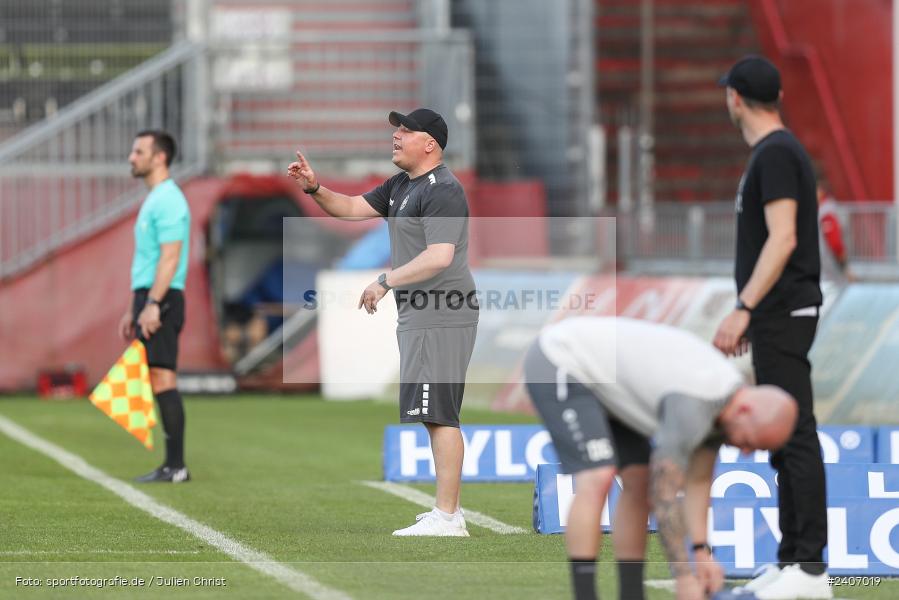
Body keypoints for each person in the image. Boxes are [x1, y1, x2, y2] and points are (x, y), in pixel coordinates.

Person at [288, 108, 479, 536]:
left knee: (441, 414)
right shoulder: (400, 185)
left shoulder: (443, 189)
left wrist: (384, 280)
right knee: (435, 414)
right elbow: (352, 207)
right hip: (423, 313)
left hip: (443, 312)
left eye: (406, 130)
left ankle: (449, 518)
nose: (396, 136)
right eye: (396, 129)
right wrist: (315, 187)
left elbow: (440, 255)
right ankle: (448, 513)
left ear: (430, 143)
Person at [523, 316, 798, 600]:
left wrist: (701, 552)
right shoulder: (695, 405)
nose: (745, 452)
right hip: (562, 358)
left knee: (638, 481)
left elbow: (699, 480)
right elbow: (664, 492)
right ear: (745, 412)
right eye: (751, 442)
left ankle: (631, 594)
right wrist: (683, 576)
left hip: (612, 380)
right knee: (598, 476)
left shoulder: (724, 409)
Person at [713, 56, 831, 599]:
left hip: (784, 309)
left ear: (736, 97)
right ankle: (792, 562)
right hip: (776, 312)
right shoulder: (772, 153)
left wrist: (744, 306)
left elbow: (782, 239)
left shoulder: (777, 153)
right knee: (784, 435)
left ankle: (809, 569)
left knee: (795, 432)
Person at [119, 130, 191, 483]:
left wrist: (151, 304)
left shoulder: (169, 199)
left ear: (159, 157)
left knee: (164, 378)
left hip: (161, 298)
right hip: (149, 297)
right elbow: (150, 260)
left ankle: (176, 466)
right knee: (157, 379)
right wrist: (134, 306)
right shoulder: (155, 198)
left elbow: (170, 257)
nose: (131, 157)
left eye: (138, 151)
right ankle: (172, 464)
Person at [817, 183, 854, 284]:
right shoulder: (828, 208)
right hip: (829, 267)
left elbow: (835, 243)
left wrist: (844, 266)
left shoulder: (826, 212)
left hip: (830, 268)